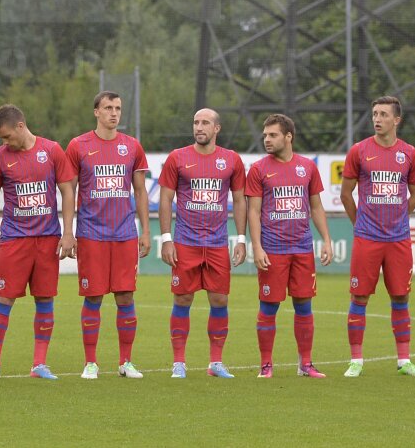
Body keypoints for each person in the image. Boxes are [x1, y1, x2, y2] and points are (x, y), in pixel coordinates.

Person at [0, 104, 75, 381]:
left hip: (47, 239)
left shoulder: (52, 150)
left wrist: (68, 233)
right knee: (4, 298)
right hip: (14, 238)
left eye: (7, 136)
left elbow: (67, 191)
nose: (5, 142)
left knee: (45, 298)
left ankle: (39, 364)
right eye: (1, 138)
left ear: (20, 126)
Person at [66, 91, 151, 379]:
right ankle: (90, 363)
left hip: (125, 233)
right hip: (91, 233)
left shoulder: (132, 146)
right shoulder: (78, 145)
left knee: (125, 297)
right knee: (93, 297)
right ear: (96, 112)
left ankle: (126, 362)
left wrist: (145, 231)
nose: (114, 113)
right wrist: (69, 232)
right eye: (108, 108)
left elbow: (140, 191)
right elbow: (69, 191)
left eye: (117, 108)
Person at [339, 96, 415, 377]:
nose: (377, 119)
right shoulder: (359, 151)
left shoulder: (409, 153)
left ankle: (404, 361)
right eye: (375, 113)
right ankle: (356, 361)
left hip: (398, 238)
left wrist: (400, 214)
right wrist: (360, 223)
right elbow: (346, 194)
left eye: (383, 114)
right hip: (367, 237)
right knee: (359, 297)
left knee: (401, 297)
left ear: (396, 120)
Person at [158, 107, 246, 379]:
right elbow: (165, 199)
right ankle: (178, 363)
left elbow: (240, 200)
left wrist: (241, 238)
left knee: (219, 299)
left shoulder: (231, 160)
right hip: (186, 242)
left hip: (217, 243)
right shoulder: (177, 157)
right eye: (196, 122)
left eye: (205, 122)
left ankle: (216, 362)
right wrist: (166, 239)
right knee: (183, 298)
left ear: (216, 128)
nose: (199, 127)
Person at [247, 114, 333, 379]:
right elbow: (253, 211)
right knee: (269, 306)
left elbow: (316, 206)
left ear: (288, 137)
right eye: (265, 135)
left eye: (272, 135)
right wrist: (257, 247)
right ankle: (266, 365)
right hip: (273, 250)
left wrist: (326, 240)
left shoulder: (307, 167)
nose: (267, 139)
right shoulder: (258, 169)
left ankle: (305, 364)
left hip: (302, 249)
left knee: (304, 305)